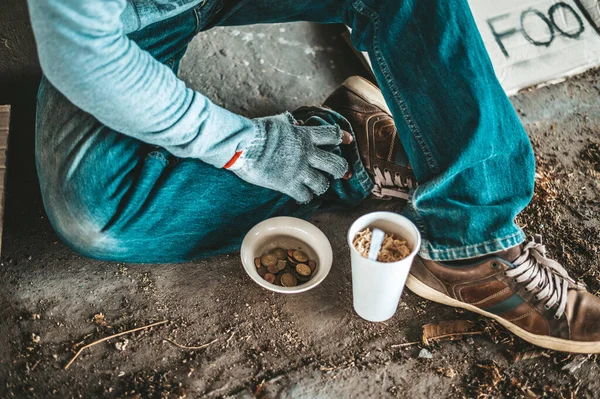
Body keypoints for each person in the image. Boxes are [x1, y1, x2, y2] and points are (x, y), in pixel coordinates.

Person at [28, 0, 600, 353]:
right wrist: (246, 148)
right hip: (134, 19)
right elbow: (84, 54)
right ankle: (347, 144)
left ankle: (471, 241)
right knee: (96, 213)